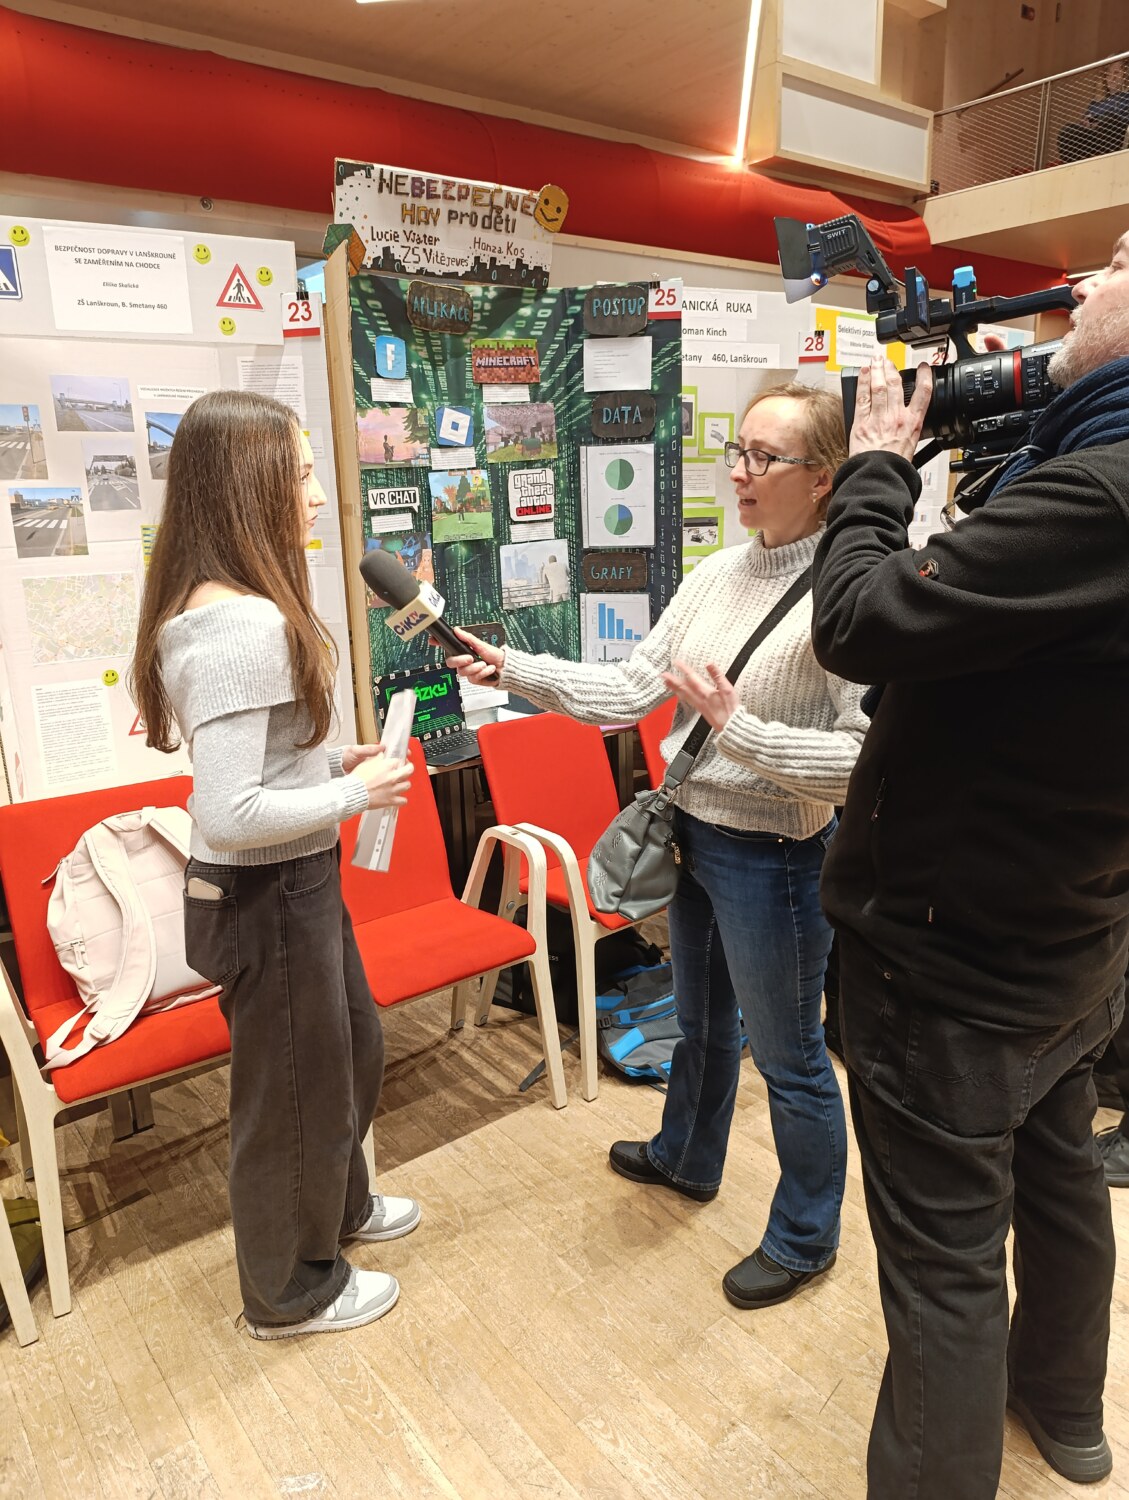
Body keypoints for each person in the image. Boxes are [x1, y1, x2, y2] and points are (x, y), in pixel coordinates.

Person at [809, 235, 1129, 1496]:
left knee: (942, 1270)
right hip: (1068, 933)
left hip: (950, 967)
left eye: (1116, 264)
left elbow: (857, 621)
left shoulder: (1100, 499)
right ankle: (1066, 1411)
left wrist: (875, 475)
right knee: (1059, 1185)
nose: (1084, 284)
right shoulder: (1086, 478)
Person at [449, 382, 864, 1309]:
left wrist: (736, 728)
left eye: (765, 458)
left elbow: (859, 759)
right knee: (704, 1024)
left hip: (776, 857)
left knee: (790, 1057)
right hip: (693, 837)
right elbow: (631, 688)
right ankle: (685, 1155)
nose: (740, 473)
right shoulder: (716, 574)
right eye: (738, 452)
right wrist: (511, 668)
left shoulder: (848, 590)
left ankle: (805, 1237)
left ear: (823, 478)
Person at [130, 389, 419, 1341]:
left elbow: (260, 770)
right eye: (298, 475)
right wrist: (354, 795)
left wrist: (332, 767)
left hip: (296, 880)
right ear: (246, 487)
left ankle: (338, 1209)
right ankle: (290, 1293)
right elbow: (228, 811)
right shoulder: (238, 627)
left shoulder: (242, 611)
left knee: (349, 1053)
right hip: (267, 893)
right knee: (292, 1098)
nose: (317, 495)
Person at [1059, 57, 1129, 162]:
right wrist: (1087, 124)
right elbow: (1084, 122)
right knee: (1067, 131)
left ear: (1126, 75)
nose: (1112, 78)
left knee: (1110, 119)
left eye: (1116, 73)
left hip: (1116, 138)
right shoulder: (1096, 104)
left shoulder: (1127, 97)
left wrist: (1098, 123)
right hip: (1093, 138)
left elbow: (1123, 122)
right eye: (1108, 74)